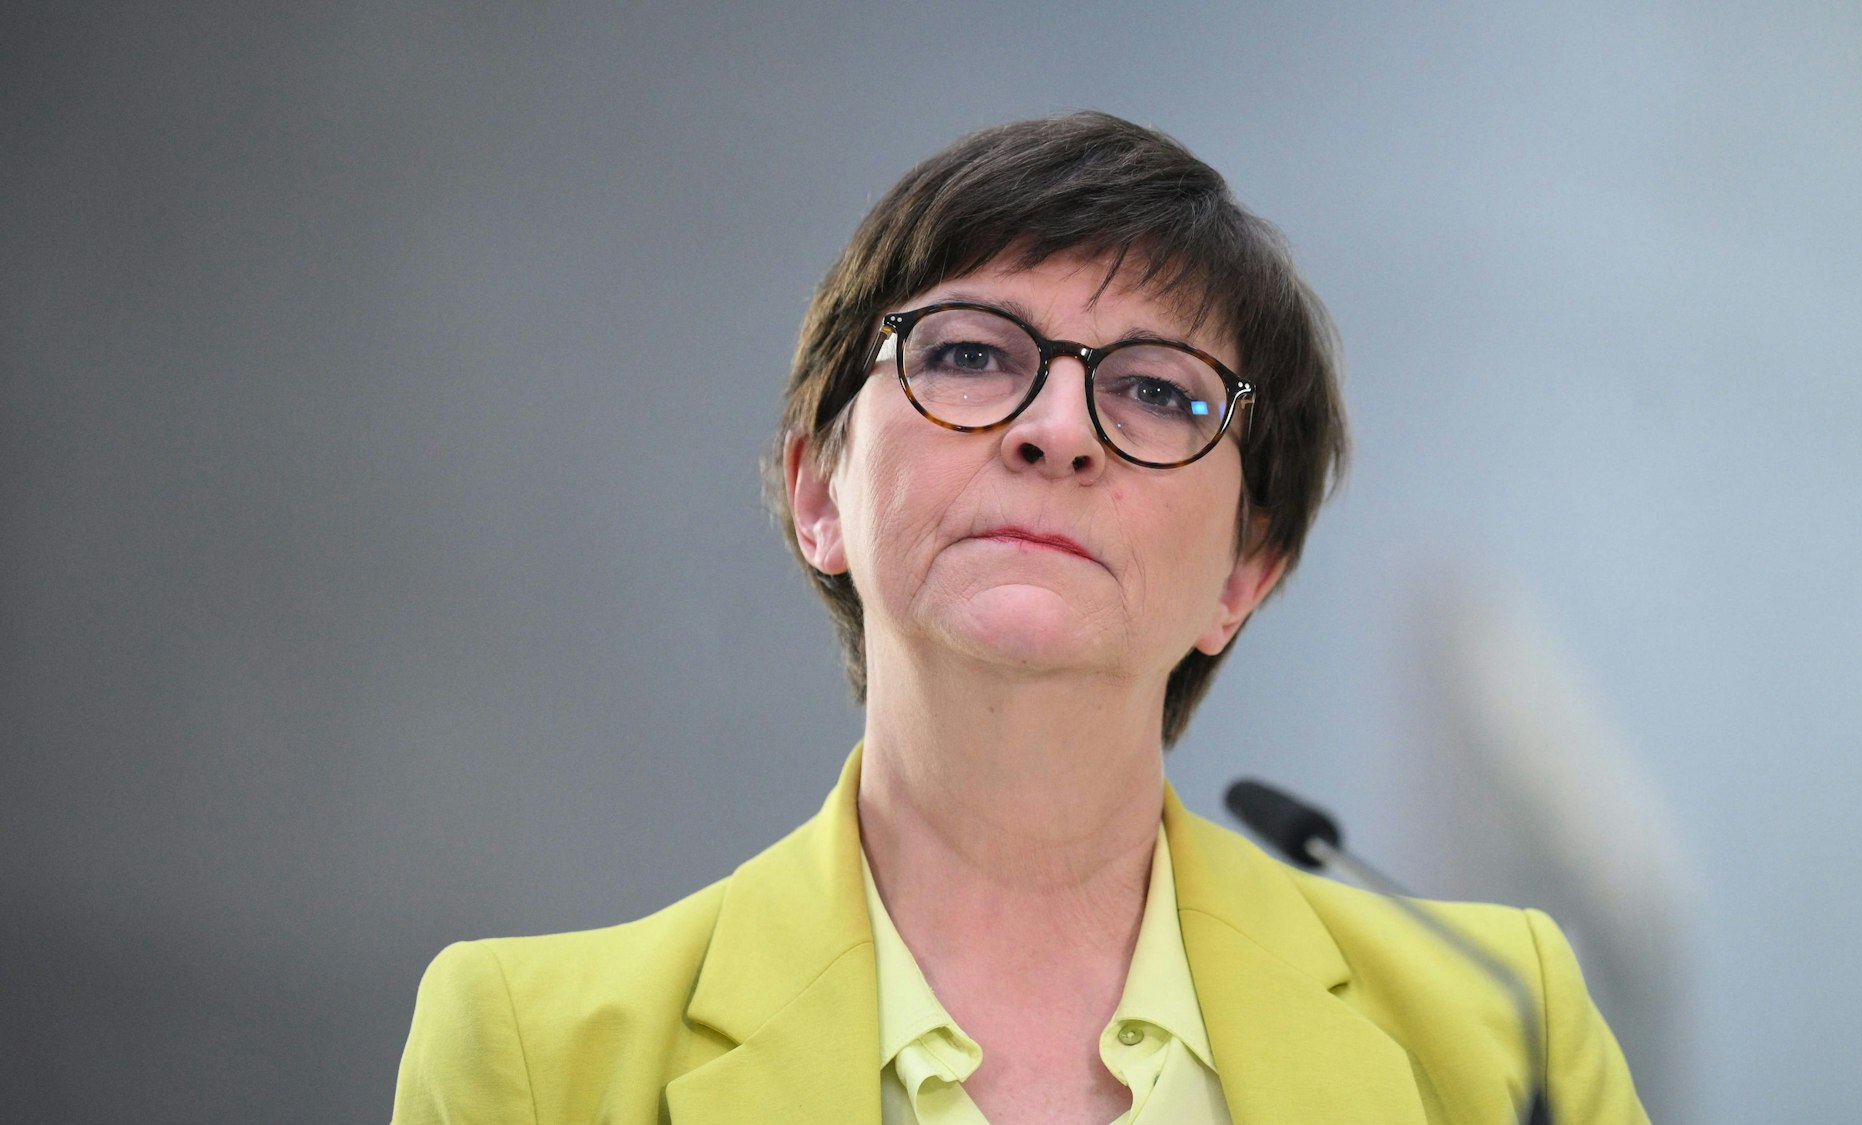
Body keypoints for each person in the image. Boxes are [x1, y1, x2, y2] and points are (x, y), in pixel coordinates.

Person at [391, 112, 1649, 1124]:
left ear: (1241, 575)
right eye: (969, 356)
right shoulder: (531, 1059)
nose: (1053, 430)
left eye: (1157, 390)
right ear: (817, 491)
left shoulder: (1496, 1038)